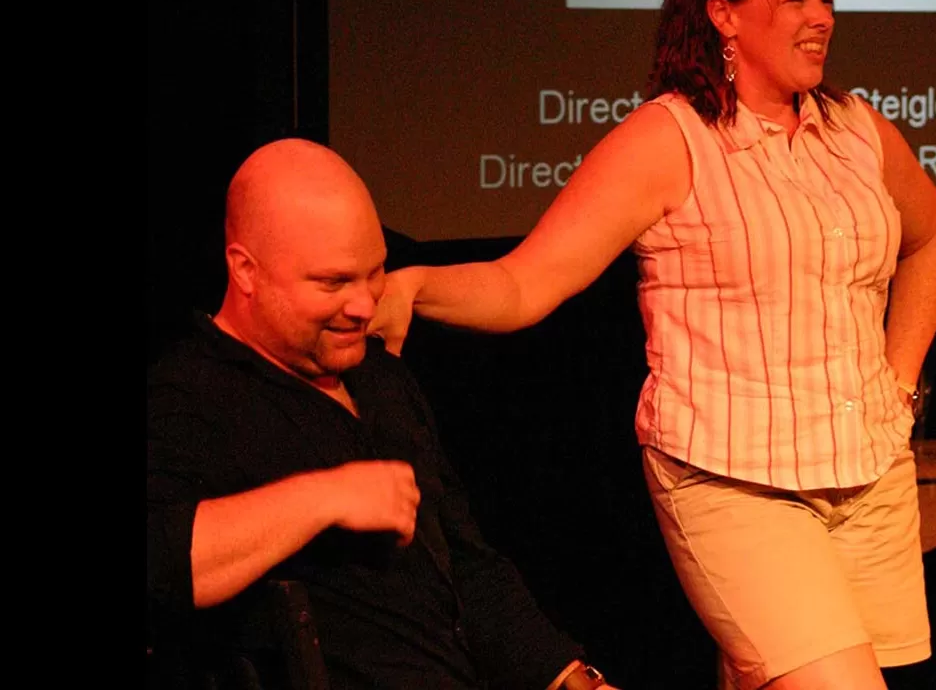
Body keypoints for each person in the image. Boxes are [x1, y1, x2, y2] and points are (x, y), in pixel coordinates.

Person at [368, 0, 936, 690]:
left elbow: (932, 236)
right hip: (738, 482)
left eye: (826, 0)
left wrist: (899, 381)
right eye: (795, 1)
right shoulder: (670, 140)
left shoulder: (857, 132)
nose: (822, 18)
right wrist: (417, 285)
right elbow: (525, 283)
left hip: (870, 477)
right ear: (724, 14)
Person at [146, 138, 619, 690]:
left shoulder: (379, 377)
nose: (365, 305)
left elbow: (468, 565)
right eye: (333, 282)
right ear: (246, 270)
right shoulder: (191, 392)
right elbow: (158, 560)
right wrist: (324, 497)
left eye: (374, 273)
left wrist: (568, 676)